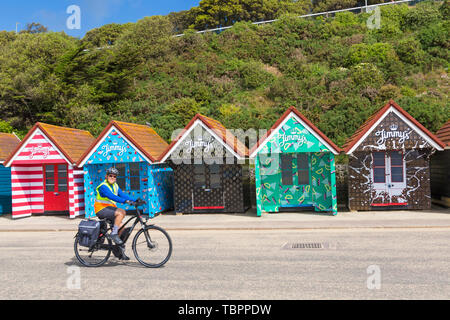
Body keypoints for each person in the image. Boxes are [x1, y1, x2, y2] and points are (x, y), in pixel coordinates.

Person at [95, 167, 137, 260]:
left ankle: (118, 251)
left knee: (123, 230)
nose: (112, 178)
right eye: (110, 175)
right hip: (101, 209)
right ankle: (113, 234)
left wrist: (136, 200)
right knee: (121, 212)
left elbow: (123, 195)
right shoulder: (103, 186)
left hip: (110, 210)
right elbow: (112, 197)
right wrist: (126, 201)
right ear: (106, 176)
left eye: (114, 176)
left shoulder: (115, 186)